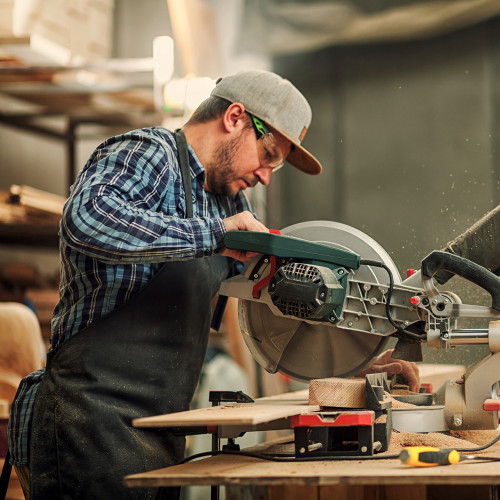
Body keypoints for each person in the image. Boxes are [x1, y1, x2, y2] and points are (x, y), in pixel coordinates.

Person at [6, 69, 418, 500]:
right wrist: (216, 235)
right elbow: (86, 220)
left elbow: (271, 305)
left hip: (159, 430)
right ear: (235, 117)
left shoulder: (226, 200)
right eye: (269, 155)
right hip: (87, 421)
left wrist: (351, 362)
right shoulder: (149, 153)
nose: (266, 176)